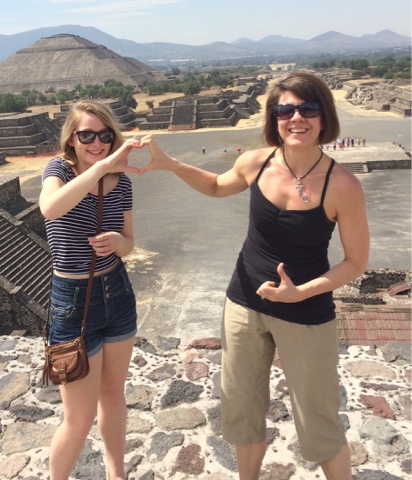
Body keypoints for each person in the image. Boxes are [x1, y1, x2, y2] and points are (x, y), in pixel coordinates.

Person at [137, 71, 369, 480]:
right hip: (244, 301)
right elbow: (215, 185)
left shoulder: (342, 185)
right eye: (285, 110)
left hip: (306, 311)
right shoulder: (256, 162)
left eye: (308, 108)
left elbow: (355, 261)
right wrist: (170, 164)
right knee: (241, 408)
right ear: (273, 117)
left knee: (319, 419)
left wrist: (302, 292)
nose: (296, 118)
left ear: (324, 116)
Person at [39, 100, 143, 480]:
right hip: (73, 300)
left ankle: (117, 474)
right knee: (78, 419)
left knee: (114, 396)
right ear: (72, 138)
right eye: (87, 135)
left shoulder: (123, 183)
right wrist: (100, 168)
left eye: (105, 135)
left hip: (117, 292)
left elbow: (130, 243)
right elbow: (50, 208)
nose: (97, 143)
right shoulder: (58, 171)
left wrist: (117, 242)